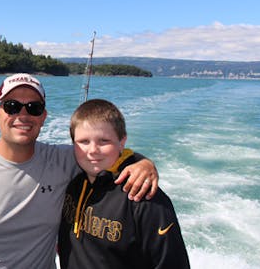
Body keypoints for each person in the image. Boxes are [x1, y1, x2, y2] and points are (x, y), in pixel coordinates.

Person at [0, 73, 159, 269]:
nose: (23, 115)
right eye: (12, 106)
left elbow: (102, 154)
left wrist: (142, 163)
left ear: (43, 117)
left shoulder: (63, 160)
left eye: (34, 108)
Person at [58, 99, 189, 268]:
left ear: (122, 142)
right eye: (84, 141)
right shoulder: (72, 185)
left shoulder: (144, 198)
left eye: (104, 141)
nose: (92, 150)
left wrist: (144, 163)